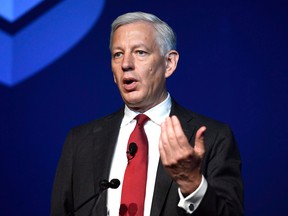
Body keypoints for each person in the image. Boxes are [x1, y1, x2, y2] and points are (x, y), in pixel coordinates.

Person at [51, 11, 244, 216]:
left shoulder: (213, 138)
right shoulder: (79, 141)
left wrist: (193, 184)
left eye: (140, 52)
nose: (126, 64)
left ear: (169, 63)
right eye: (118, 54)